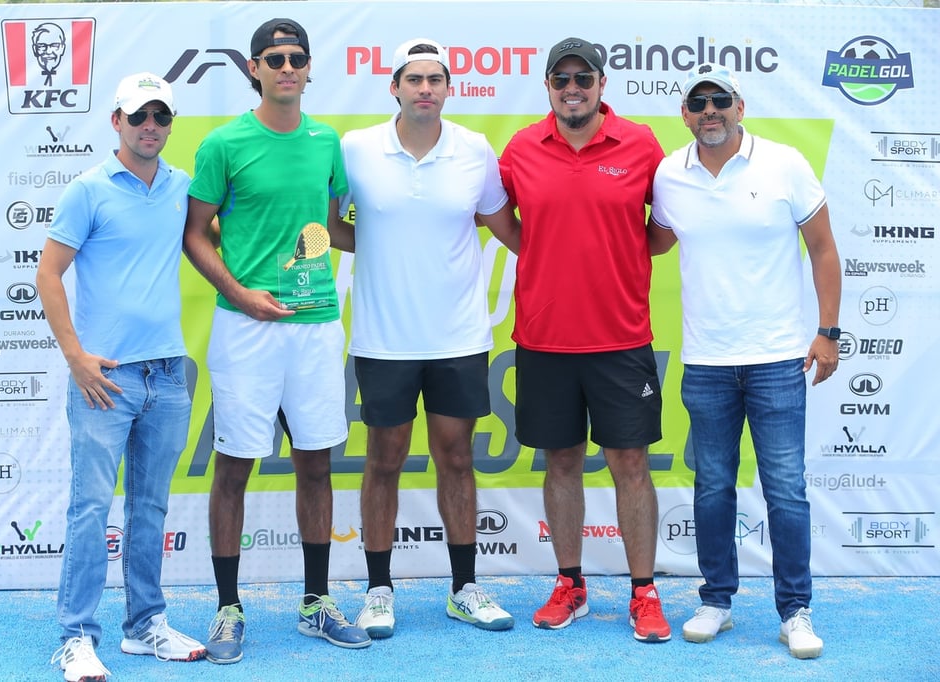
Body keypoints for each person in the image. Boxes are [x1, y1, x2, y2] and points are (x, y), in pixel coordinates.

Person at [182, 18, 369, 663]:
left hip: (317, 327)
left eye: (297, 58)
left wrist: (409, 233)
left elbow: (339, 224)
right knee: (234, 465)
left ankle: (316, 603)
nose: (287, 67)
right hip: (247, 328)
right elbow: (195, 233)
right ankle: (228, 608)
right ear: (254, 69)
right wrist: (238, 294)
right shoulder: (223, 144)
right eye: (274, 58)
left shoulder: (326, 142)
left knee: (317, 462)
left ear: (310, 69)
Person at [648, 65, 840, 659]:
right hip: (706, 361)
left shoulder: (783, 164)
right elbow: (652, 242)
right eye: (698, 102)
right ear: (684, 114)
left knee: (785, 490)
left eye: (720, 100)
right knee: (711, 488)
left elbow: (824, 249)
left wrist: (828, 332)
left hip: (780, 359)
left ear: (740, 106)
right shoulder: (668, 175)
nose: (710, 110)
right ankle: (717, 601)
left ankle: (795, 611)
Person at [334, 38, 521, 639]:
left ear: (448, 89)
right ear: (394, 87)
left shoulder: (475, 150)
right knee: (383, 461)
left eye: (434, 80)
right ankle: (379, 590)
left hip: (458, 337)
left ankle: (464, 588)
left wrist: (569, 262)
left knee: (457, 459)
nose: (424, 89)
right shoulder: (357, 148)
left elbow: (503, 224)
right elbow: (327, 221)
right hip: (383, 340)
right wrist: (379, 249)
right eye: (413, 80)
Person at [498, 38, 671, 642]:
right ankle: (570, 585)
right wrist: (542, 254)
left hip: (621, 338)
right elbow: (499, 215)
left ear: (601, 83)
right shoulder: (522, 147)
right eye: (561, 77)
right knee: (562, 461)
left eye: (583, 77)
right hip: (544, 339)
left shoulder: (641, 143)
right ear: (548, 85)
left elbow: (665, 228)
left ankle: (644, 593)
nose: (572, 87)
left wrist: (619, 258)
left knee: (631, 464)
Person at [40, 72, 205, 682]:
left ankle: (144, 626)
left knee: (151, 506)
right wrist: (76, 357)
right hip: (104, 378)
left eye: (160, 117)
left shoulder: (181, 186)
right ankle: (77, 637)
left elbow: (218, 240)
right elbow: (49, 275)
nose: (150, 127)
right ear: (116, 121)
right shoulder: (87, 189)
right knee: (90, 508)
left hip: (167, 374)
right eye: (138, 117)